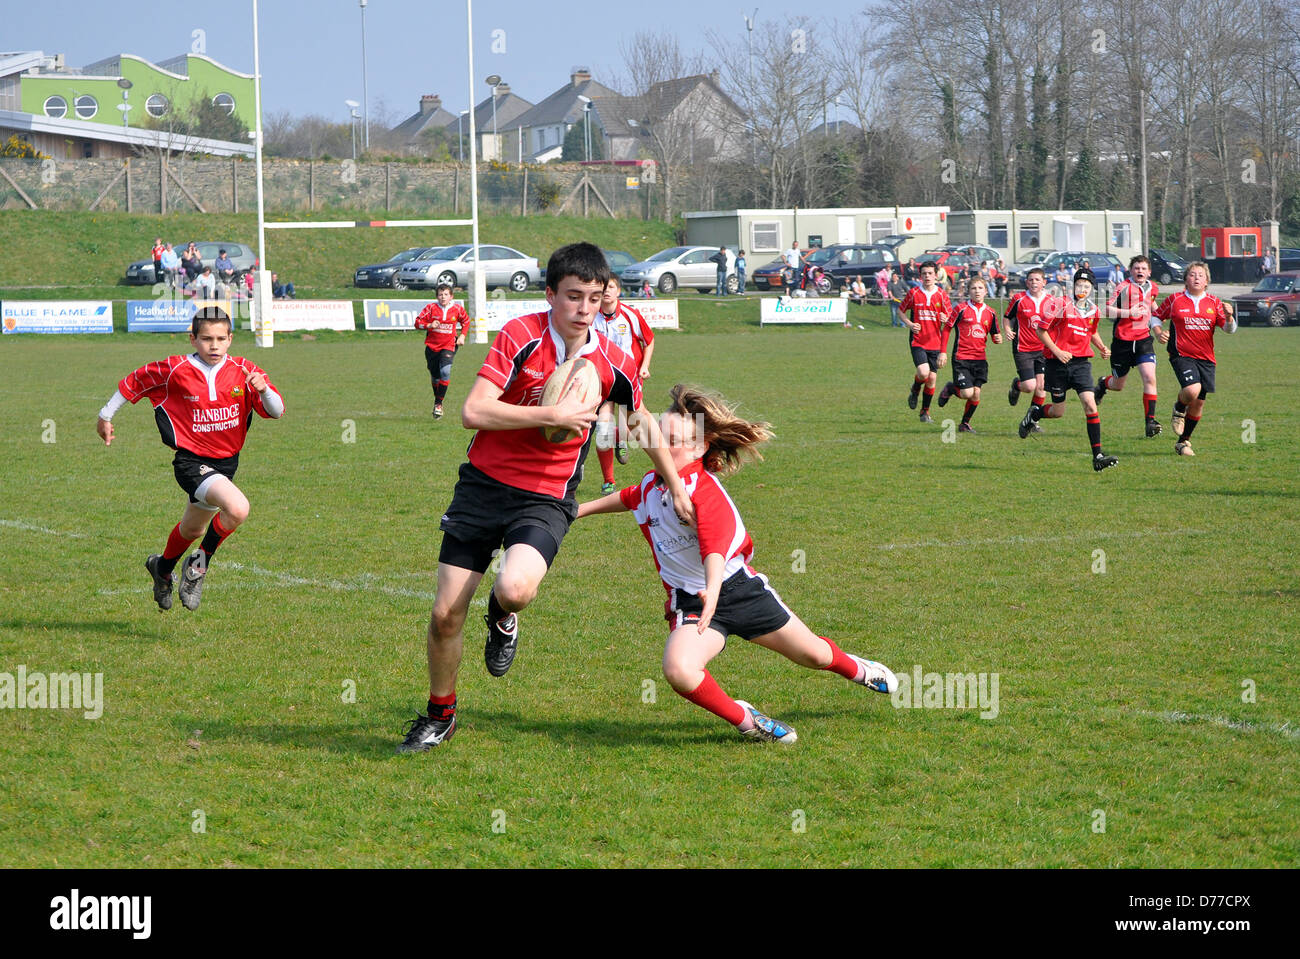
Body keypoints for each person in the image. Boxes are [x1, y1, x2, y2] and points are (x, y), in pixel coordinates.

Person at [396, 242, 694, 754]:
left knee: (514, 589)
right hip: (483, 486)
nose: (583, 309)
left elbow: (639, 417)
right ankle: (440, 714)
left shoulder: (613, 358)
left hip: (546, 496)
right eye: (573, 296)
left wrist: (672, 482)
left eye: (594, 298)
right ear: (550, 293)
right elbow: (474, 411)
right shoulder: (521, 335)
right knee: (446, 614)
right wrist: (550, 416)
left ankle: (502, 616)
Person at [575, 384, 898, 745]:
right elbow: (628, 497)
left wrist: (713, 591)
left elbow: (715, 546)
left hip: (738, 592)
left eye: (673, 440)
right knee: (680, 670)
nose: (661, 447)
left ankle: (857, 669)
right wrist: (578, 511)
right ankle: (747, 720)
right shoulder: (653, 484)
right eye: (658, 438)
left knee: (814, 655)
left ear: (700, 446)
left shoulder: (704, 490)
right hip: (692, 602)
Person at [95, 306, 284, 612]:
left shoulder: (244, 370)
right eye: (207, 338)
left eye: (221, 338)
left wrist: (263, 391)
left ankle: (162, 567)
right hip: (190, 462)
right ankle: (197, 568)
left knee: (193, 530)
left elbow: (276, 411)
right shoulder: (175, 369)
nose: (214, 345)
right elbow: (135, 381)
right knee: (238, 509)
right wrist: (105, 416)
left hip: (225, 464)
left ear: (231, 339)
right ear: (193, 338)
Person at [1017, 269, 1118, 471]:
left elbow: (1092, 331)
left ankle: (1097, 456)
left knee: (1090, 404)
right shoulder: (1059, 304)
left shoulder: (1093, 311)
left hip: (1081, 364)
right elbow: (1041, 330)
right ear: (1073, 286)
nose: (1083, 289)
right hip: (1057, 364)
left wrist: (1102, 347)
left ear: (1092, 289)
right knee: (1057, 411)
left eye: (1087, 286)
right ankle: (1035, 414)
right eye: (1079, 284)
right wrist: (1057, 351)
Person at [1152, 261, 1237, 457]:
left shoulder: (1215, 303)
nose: (1196, 277)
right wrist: (1158, 332)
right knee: (1192, 390)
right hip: (1181, 355)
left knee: (1198, 403)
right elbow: (1156, 316)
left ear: (1207, 281)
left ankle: (1183, 442)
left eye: (1201, 275)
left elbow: (1228, 330)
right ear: (1185, 279)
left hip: (1206, 358)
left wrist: (1230, 317)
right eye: (1192, 274)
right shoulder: (1175, 299)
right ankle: (1179, 407)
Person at [593, 275, 656, 492]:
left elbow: (649, 341)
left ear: (618, 291)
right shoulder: (592, 316)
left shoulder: (630, 315)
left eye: (610, 287)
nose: (606, 291)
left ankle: (620, 436)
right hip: (603, 379)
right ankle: (608, 481)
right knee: (602, 429)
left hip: (629, 379)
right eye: (603, 288)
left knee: (633, 425)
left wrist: (644, 366)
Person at [1095, 254, 1162, 438]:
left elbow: (1153, 306)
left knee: (1149, 377)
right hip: (1122, 343)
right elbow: (1105, 309)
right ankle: (1102, 384)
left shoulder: (1153, 288)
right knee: (1117, 385)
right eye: (1136, 268)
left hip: (1143, 341)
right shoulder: (1122, 288)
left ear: (1149, 272)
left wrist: (1161, 321)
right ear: (1131, 271)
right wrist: (1128, 312)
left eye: (1143, 268)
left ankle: (1150, 422)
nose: (1140, 271)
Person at [936, 276, 1002, 432]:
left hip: (980, 359)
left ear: (986, 291)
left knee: (976, 394)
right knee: (967, 393)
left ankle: (964, 424)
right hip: (962, 358)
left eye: (980, 288)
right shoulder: (961, 309)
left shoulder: (991, 312)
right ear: (969, 291)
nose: (977, 291)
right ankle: (951, 388)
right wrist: (942, 352)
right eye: (974, 288)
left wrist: (997, 338)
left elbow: (994, 334)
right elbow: (946, 329)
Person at [1002, 266, 1056, 429]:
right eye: (1031, 280)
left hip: (1044, 350)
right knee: (1029, 386)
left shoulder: (1052, 301)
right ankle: (1017, 385)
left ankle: (1032, 421)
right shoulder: (1018, 298)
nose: (1034, 282)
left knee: (1041, 388)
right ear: (1026, 282)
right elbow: (1007, 317)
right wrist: (1007, 329)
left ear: (1044, 282)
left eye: (1037, 279)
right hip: (1023, 348)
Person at [899, 261, 952, 423]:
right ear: (920, 276)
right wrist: (910, 324)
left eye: (930, 273)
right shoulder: (914, 293)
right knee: (923, 373)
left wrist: (946, 318)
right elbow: (901, 311)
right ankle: (915, 389)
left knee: (932, 379)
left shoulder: (942, 295)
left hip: (936, 343)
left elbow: (950, 317)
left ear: (936, 275)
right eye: (924, 274)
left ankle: (925, 412)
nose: (927, 276)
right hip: (918, 341)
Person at [413, 282, 471, 419]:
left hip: (449, 345)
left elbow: (466, 321)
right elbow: (417, 323)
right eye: (440, 295)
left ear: (451, 296)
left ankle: (438, 404)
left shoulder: (457, 309)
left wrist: (462, 336)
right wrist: (429, 325)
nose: (443, 297)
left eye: (446, 294)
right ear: (437, 296)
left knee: (445, 371)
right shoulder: (431, 308)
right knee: (435, 376)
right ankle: (437, 400)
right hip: (432, 347)